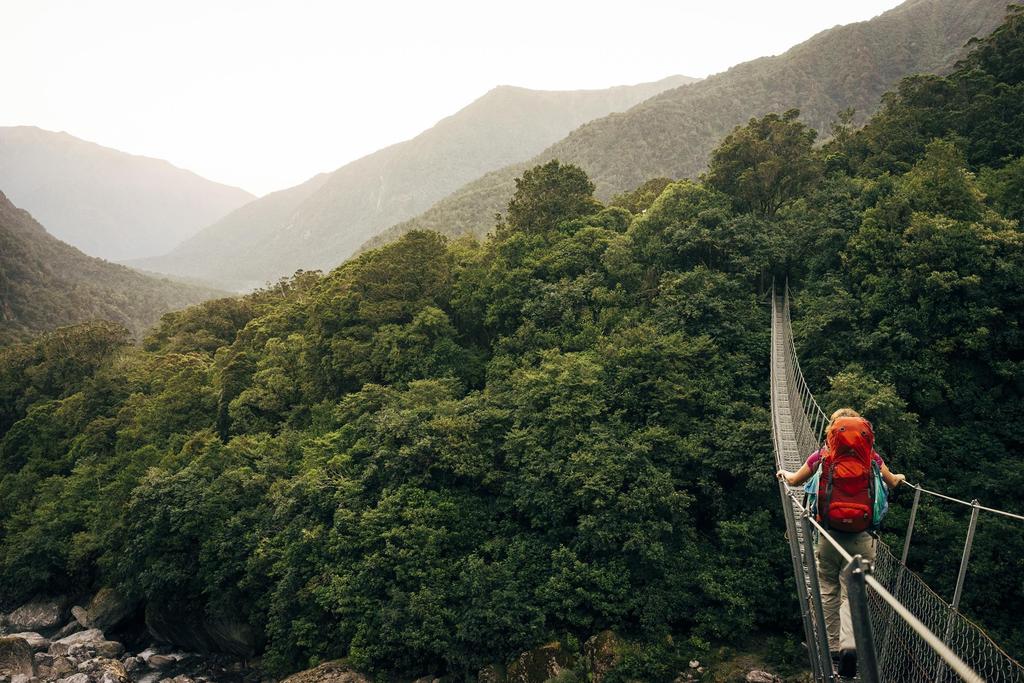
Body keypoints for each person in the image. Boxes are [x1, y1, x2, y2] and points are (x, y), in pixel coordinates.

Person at [776, 408, 906, 677]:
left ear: (832, 432)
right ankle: (849, 644)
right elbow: (892, 482)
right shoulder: (872, 457)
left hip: (828, 537)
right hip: (862, 540)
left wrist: (784, 475)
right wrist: (899, 479)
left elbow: (795, 480)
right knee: (853, 592)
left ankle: (833, 649)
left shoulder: (822, 455)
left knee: (827, 590)